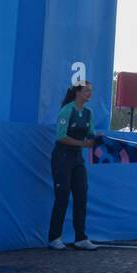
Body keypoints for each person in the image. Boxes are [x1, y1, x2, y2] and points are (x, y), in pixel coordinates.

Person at [48, 82, 99, 250]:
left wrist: (99, 138)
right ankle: (54, 238)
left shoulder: (88, 113)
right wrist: (84, 144)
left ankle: (80, 238)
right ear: (77, 92)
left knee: (81, 196)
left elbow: (90, 133)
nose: (89, 93)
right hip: (62, 156)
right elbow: (60, 136)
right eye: (86, 90)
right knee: (62, 196)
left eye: (91, 91)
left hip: (77, 159)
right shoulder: (66, 110)